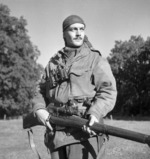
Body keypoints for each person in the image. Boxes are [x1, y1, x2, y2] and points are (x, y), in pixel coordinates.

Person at [33, 15, 117, 159]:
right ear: (64, 33)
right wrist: (39, 108)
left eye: (81, 29)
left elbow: (108, 91)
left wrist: (95, 113)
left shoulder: (95, 59)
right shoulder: (53, 62)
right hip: (56, 136)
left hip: (84, 135)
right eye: (73, 29)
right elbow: (39, 90)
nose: (78, 33)